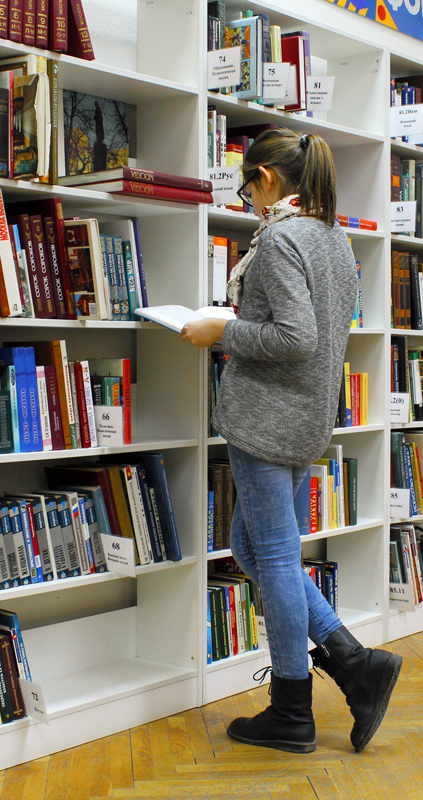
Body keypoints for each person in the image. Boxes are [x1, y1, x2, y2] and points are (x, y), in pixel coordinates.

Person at [180, 127, 402, 754]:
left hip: (267, 419)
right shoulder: (333, 237)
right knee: (249, 545)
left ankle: (292, 710)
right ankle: (352, 659)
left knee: (272, 556)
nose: (247, 197)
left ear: (268, 180)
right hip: (305, 417)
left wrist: (221, 329)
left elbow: (295, 338)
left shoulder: (279, 239)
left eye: (247, 185)